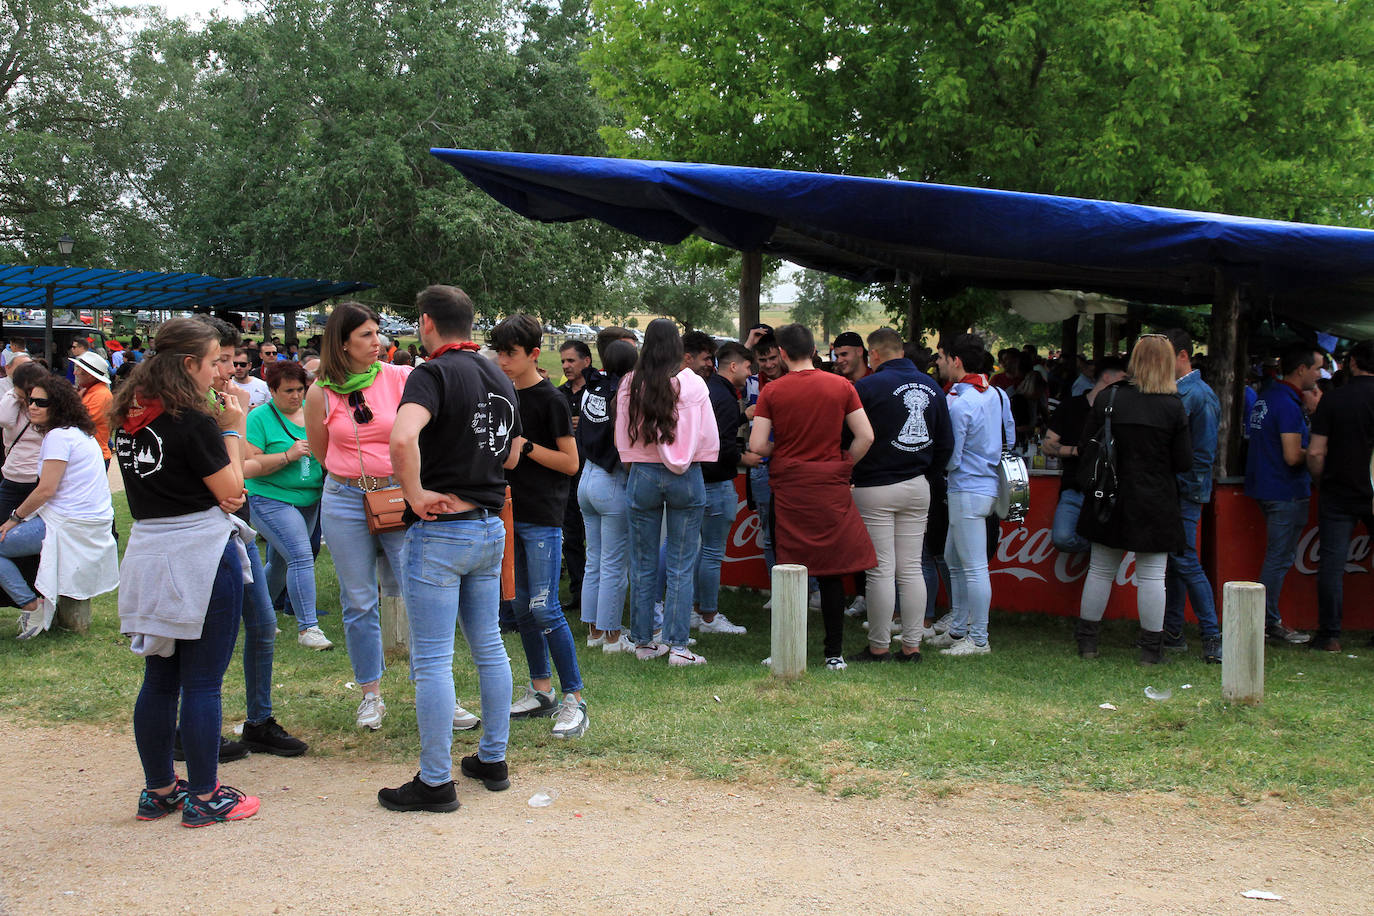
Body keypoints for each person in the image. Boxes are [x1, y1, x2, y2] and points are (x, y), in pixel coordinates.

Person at [377, 284, 518, 813]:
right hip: (488, 526)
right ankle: (492, 758)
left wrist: (413, 494)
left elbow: (401, 437)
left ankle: (435, 781)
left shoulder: (431, 373)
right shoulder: (499, 375)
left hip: (441, 529)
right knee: (489, 647)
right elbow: (511, 455)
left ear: (427, 322)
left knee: (433, 657)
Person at [114, 318, 260, 827]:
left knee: (159, 677)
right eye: (214, 360)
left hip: (149, 550)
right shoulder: (192, 420)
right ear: (188, 364)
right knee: (202, 681)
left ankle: (159, 789)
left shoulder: (130, 416)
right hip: (198, 550)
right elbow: (232, 491)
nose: (220, 370)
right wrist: (233, 426)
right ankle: (205, 795)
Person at [304, 302, 412, 730]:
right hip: (346, 498)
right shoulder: (321, 391)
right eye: (366, 334)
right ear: (343, 342)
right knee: (359, 601)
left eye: (377, 332)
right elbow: (321, 451)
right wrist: (355, 476)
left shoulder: (399, 377)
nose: (377, 341)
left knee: (419, 595)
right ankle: (371, 694)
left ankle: (437, 691)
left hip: (398, 495)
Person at [750, 323, 875, 670]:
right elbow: (865, 436)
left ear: (784, 353)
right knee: (832, 572)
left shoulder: (773, 392)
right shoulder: (841, 385)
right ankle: (833, 653)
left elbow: (757, 445)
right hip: (830, 486)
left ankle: (786, 650)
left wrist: (783, 448)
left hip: (790, 488)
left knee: (789, 567)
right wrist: (843, 462)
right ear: (816, 350)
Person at [490, 314, 587, 737]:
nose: (503, 360)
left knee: (544, 607)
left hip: (544, 516)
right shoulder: (500, 396)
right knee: (520, 605)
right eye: (498, 352)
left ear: (532, 353)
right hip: (510, 512)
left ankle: (574, 699)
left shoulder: (551, 400)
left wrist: (526, 447)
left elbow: (571, 463)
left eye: (510, 353)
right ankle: (541, 689)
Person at [1073, 335, 1191, 663]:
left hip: (1108, 494)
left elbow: (1087, 447)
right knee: (1153, 576)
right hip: (1155, 498)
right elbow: (1183, 461)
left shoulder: (1109, 397)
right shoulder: (1173, 405)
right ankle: (1151, 650)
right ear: (1168, 363)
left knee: (1099, 570)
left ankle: (1088, 642)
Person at [616, 318, 719, 666]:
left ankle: (644, 642)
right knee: (680, 564)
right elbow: (707, 436)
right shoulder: (693, 384)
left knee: (642, 563)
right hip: (687, 475)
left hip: (643, 473)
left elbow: (622, 435)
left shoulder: (631, 381)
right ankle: (678, 646)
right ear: (678, 347)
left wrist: (635, 464)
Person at [846, 328, 952, 663]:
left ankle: (878, 646)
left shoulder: (866, 387)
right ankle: (911, 646)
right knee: (910, 569)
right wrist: (926, 474)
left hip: (874, 484)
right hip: (917, 484)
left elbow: (846, 436)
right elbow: (946, 443)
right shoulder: (933, 386)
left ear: (873, 354)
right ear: (901, 351)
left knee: (880, 569)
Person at [0, 375, 118, 639]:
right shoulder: (78, 433)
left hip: (69, 524)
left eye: (41, 402)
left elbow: (45, 489)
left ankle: (32, 605)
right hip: (86, 522)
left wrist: (14, 519)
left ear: (60, 405)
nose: (32, 406)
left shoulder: (59, 437)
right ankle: (36, 604)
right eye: (30, 400)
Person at [926, 334, 1013, 657]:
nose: (938, 363)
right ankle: (960, 628)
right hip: (983, 484)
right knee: (954, 559)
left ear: (956, 360)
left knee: (973, 566)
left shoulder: (962, 403)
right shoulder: (997, 394)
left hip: (968, 486)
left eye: (942, 357)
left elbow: (952, 457)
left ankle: (978, 637)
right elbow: (1011, 436)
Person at [245, 360, 330, 650]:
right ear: (272, 390)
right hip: (271, 497)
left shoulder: (312, 413)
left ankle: (258, 613)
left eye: (300, 390)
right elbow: (248, 465)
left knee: (281, 563)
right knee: (301, 555)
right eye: (288, 391)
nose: (296, 396)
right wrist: (287, 456)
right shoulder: (258, 419)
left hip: (309, 498)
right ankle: (308, 628)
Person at [1245, 343, 1322, 645]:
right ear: (1301, 369)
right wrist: (1317, 451)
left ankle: (1266, 620)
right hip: (1285, 491)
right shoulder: (1288, 404)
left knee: (1277, 557)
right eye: (1316, 368)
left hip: (1266, 487)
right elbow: (1293, 455)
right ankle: (1268, 622)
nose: (1319, 374)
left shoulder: (1267, 396)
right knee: (1279, 559)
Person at [1306, 339, 1374, 652]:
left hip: (1339, 488)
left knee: (1332, 563)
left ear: (1353, 364)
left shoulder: (1334, 400)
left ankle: (1329, 634)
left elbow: (1316, 452)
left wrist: (1321, 481)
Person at [1160, 329, 1222, 663]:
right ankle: (1173, 632)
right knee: (1175, 562)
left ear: (1183, 355)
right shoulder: (1184, 393)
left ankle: (1212, 635)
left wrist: (1183, 487)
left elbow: (1203, 454)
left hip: (1185, 490)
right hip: (1178, 488)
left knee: (1184, 560)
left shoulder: (1198, 395)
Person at [577, 339, 638, 651]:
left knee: (595, 560)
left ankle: (594, 633)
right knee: (614, 563)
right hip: (611, 478)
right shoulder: (622, 393)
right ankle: (613, 636)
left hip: (586, 475)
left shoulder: (592, 386)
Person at [691, 341, 751, 636]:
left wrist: (744, 416)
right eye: (748, 367)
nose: (750, 373)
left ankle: (695, 610)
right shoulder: (725, 398)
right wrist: (747, 458)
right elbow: (723, 446)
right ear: (733, 366)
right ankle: (710, 616)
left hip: (698, 480)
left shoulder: (707, 389)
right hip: (716, 483)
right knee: (713, 553)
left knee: (697, 552)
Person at [1044, 357, 1127, 554]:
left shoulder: (1121, 410)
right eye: (1124, 378)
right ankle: (1101, 551)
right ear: (1107, 377)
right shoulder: (1071, 406)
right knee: (1062, 538)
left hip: (1109, 490)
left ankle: (1103, 554)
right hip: (1075, 486)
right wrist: (1077, 451)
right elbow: (1047, 445)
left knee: (1109, 539)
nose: (1127, 384)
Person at [741, 332, 787, 598]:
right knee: (768, 532)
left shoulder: (794, 379)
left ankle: (810, 588)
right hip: (760, 465)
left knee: (795, 532)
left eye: (772, 358)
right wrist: (747, 344)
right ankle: (777, 593)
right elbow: (718, 366)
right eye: (762, 359)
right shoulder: (749, 381)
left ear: (781, 354)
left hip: (790, 464)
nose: (768, 364)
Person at [558, 339, 594, 611]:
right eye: (563, 362)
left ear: (586, 361)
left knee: (594, 538)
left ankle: (596, 595)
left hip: (593, 472)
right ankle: (578, 592)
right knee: (571, 537)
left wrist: (586, 424)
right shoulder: (559, 395)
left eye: (571, 360)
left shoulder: (599, 391)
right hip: (567, 477)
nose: (566, 366)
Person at [0, 361, 45, 525]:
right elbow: (4, 419)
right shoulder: (12, 401)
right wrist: (16, 393)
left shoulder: (46, 406)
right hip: (13, 477)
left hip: (38, 479)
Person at [71, 350, 113, 465]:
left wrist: (75, 402)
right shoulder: (89, 391)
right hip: (88, 455)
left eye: (78, 369)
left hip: (95, 457)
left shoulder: (100, 394)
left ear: (88, 374)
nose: (75, 373)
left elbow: (79, 422)